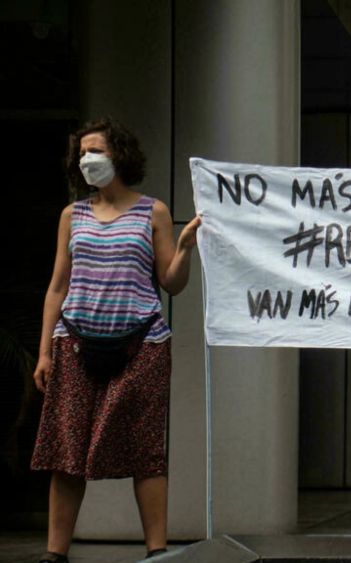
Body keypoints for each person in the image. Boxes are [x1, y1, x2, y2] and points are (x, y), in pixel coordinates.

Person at [30, 118, 201, 563]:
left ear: (120, 156)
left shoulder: (153, 212)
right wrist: (45, 350)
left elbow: (171, 283)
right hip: (75, 343)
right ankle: (55, 554)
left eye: (98, 151)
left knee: (145, 450)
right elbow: (57, 286)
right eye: (83, 153)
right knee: (65, 450)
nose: (89, 160)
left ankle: (156, 551)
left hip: (141, 346)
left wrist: (184, 249)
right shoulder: (73, 215)